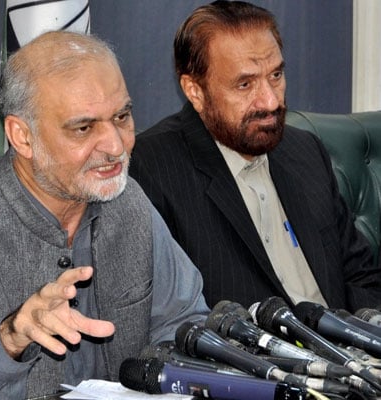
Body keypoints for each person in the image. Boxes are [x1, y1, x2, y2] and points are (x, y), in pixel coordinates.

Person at [0, 30, 209, 399]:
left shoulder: (127, 201)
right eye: (84, 128)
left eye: (122, 117)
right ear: (22, 136)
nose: (116, 146)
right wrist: (10, 338)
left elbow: (186, 325)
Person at [129, 0, 381, 312]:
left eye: (276, 75)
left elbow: (361, 276)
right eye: (245, 84)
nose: (272, 101)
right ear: (195, 91)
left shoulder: (305, 150)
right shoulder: (153, 167)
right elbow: (167, 318)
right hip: (254, 357)